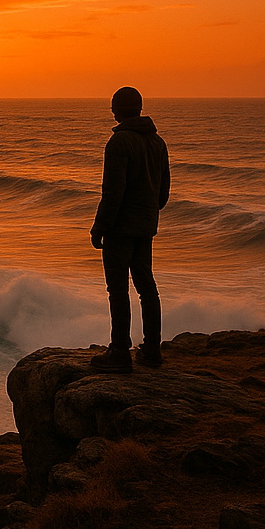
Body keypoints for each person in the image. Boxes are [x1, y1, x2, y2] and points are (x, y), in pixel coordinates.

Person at [89, 86, 170, 373]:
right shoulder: (157, 143)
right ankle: (152, 350)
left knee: (118, 290)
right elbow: (163, 195)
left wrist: (99, 227)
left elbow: (113, 192)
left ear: (119, 110)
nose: (111, 111)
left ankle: (120, 352)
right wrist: (146, 213)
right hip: (146, 226)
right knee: (147, 288)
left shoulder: (119, 143)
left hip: (120, 228)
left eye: (113, 106)